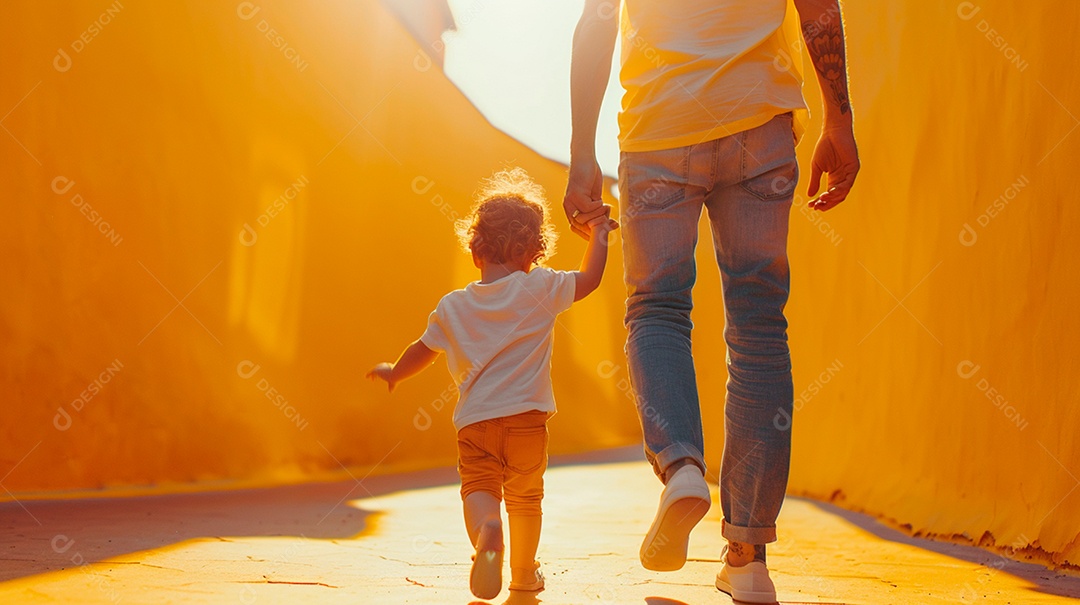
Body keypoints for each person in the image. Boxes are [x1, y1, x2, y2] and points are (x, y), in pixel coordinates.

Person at [564, 0, 860, 602]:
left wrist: (580, 151)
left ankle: (683, 470)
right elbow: (819, 9)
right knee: (757, 328)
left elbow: (597, 19)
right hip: (760, 124)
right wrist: (839, 120)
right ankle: (749, 557)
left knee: (657, 309)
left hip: (659, 129)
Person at [367, 168, 617, 600]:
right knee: (525, 499)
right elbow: (590, 280)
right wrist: (598, 234)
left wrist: (394, 371)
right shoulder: (540, 287)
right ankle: (523, 574)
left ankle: (487, 531)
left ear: (476, 249)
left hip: (475, 424)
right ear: (531, 252)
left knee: (479, 489)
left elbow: (421, 350)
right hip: (527, 421)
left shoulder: (453, 306)